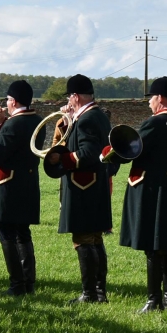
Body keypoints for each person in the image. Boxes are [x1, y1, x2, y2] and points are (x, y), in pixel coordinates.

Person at [109, 77, 167, 312]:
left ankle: (153, 299)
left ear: (159, 98)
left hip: (150, 192)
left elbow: (130, 149)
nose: (149, 103)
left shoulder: (155, 123)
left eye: (151, 98)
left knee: (153, 247)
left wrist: (107, 154)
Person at [45, 74, 112, 303]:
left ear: (75, 96)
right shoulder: (96, 115)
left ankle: (90, 293)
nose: (69, 101)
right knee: (94, 238)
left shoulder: (87, 119)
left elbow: (88, 153)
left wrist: (60, 160)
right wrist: (68, 122)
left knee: (83, 238)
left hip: (83, 186)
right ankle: (99, 292)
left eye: (70, 97)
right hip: (94, 184)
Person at [0, 80, 45, 296]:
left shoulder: (14, 124)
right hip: (27, 182)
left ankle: (17, 284)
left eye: (7, 100)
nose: (5, 103)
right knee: (23, 233)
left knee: (7, 233)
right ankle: (28, 283)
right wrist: (1, 122)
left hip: (8, 184)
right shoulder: (37, 120)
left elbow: (0, 155)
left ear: (13, 101)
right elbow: (17, 144)